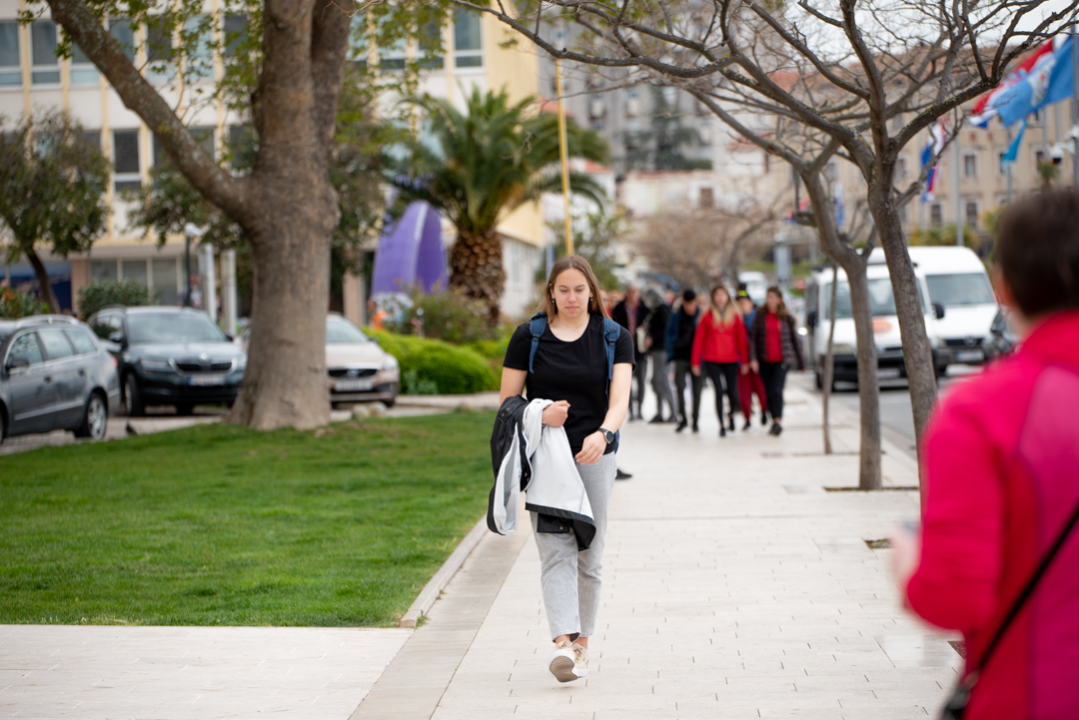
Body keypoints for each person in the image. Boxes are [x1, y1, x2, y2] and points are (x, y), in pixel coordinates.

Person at [892, 189, 1079, 718]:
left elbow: (952, 596)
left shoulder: (982, 412)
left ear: (1003, 288)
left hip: (1031, 696)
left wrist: (909, 566)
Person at [500, 255, 634, 683]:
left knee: (589, 555)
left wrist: (604, 435)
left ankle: (583, 646)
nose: (572, 297)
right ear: (551, 293)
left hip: (595, 457)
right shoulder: (529, 336)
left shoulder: (615, 337)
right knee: (555, 550)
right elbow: (507, 402)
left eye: (580, 289)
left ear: (592, 291)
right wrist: (541, 415)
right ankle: (564, 644)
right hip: (546, 460)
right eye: (564, 290)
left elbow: (620, 401)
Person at [691, 285, 748, 437]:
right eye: (718, 295)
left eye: (723, 295)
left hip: (731, 358)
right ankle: (721, 424)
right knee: (718, 390)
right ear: (713, 297)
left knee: (732, 392)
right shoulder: (707, 316)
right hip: (712, 358)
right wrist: (695, 362)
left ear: (727, 297)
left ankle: (730, 414)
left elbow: (742, 340)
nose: (720, 298)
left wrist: (745, 361)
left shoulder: (735, 316)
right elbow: (699, 340)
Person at [749, 287, 804, 436]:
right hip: (764, 360)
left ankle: (777, 421)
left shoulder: (786, 318)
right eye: (768, 297)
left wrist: (801, 361)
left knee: (777, 390)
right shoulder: (760, 316)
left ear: (779, 300)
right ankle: (770, 414)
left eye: (773, 297)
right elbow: (753, 339)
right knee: (768, 391)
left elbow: (795, 340)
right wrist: (753, 358)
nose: (770, 301)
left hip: (782, 360)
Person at [600, 287, 633, 481]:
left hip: (613, 386)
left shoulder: (613, 327)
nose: (605, 302)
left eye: (607, 299)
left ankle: (612, 463)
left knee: (614, 427)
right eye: (602, 299)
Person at [666, 288, 704, 433]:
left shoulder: (701, 316)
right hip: (681, 357)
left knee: (697, 391)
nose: (690, 307)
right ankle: (683, 419)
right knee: (680, 388)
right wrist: (672, 349)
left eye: (692, 304)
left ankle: (695, 420)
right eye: (688, 304)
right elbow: (669, 334)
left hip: (697, 360)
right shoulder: (677, 316)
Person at [610, 285, 650, 421]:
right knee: (627, 383)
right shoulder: (619, 308)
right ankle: (631, 410)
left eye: (635, 291)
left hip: (640, 350)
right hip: (625, 351)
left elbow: (651, 326)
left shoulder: (645, 309)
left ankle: (640, 409)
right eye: (631, 291)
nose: (633, 294)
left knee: (642, 381)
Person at [735, 287, 769, 430]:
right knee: (743, 392)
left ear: (751, 303)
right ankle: (747, 418)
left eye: (744, 302)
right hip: (740, 362)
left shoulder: (758, 318)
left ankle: (764, 411)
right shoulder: (734, 319)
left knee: (760, 389)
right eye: (739, 303)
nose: (741, 306)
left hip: (757, 361)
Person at [645, 288, 677, 423]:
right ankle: (660, 412)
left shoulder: (663, 308)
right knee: (657, 381)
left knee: (663, 380)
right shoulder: (657, 309)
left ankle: (673, 412)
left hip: (662, 349)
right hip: (656, 350)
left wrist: (652, 337)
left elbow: (666, 329)